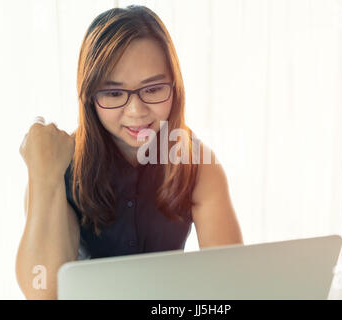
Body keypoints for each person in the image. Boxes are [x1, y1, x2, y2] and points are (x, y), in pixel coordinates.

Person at [16, 5, 243, 300]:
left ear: (175, 87)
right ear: (89, 97)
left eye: (153, 89)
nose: (136, 112)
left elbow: (233, 285)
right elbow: (43, 292)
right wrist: (44, 176)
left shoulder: (196, 164)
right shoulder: (59, 165)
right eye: (113, 93)